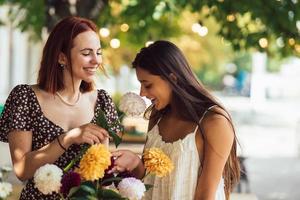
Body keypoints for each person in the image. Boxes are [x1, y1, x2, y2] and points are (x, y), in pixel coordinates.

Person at [0, 16, 121, 199]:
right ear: (61, 57)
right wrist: (69, 138)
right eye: (87, 53)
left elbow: (101, 170)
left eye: (98, 52)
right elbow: (22, 169)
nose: (96, 60)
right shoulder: (25, 97)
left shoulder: (102, 102)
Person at [111, 40, 240, 200]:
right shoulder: (157, 116)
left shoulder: (214, 122)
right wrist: (135, 163)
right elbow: (149, 178)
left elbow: (205, 195)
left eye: (148, 85)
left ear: (172, 78)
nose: (142, 93)